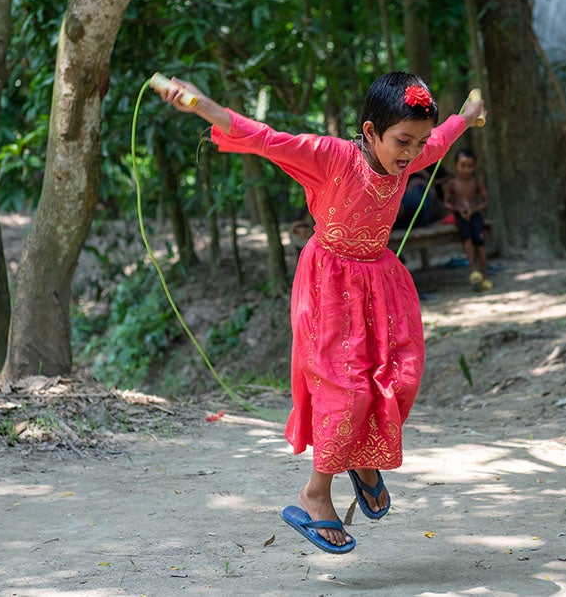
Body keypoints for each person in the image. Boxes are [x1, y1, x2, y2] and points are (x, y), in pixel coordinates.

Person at [156, 71, 484, 554]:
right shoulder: (330, 157)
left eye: (416, 143)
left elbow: (442, 137)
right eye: (402, 141)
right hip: (329, 285)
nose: (412, 153)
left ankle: (364, 459)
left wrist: (468, 115)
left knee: (398, 377)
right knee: (345, 391)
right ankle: (315, 492)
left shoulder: (410, 155)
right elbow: (267, 140)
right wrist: (204, 106)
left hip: (379, 280)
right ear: (370, 132)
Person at [443, 149, 492, 291]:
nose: (466, 170)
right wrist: (459, 210)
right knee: (467, 239)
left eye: (470, 166)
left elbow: (485, 201)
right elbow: (446, 203)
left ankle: (486, 275)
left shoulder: (477, 181)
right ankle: (473, 271)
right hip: (460, 216)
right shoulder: (452, 183)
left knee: (480, 242)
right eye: (463, 165)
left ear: (474, 166)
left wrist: (473, 210)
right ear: (456, 165)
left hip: (475, 215)